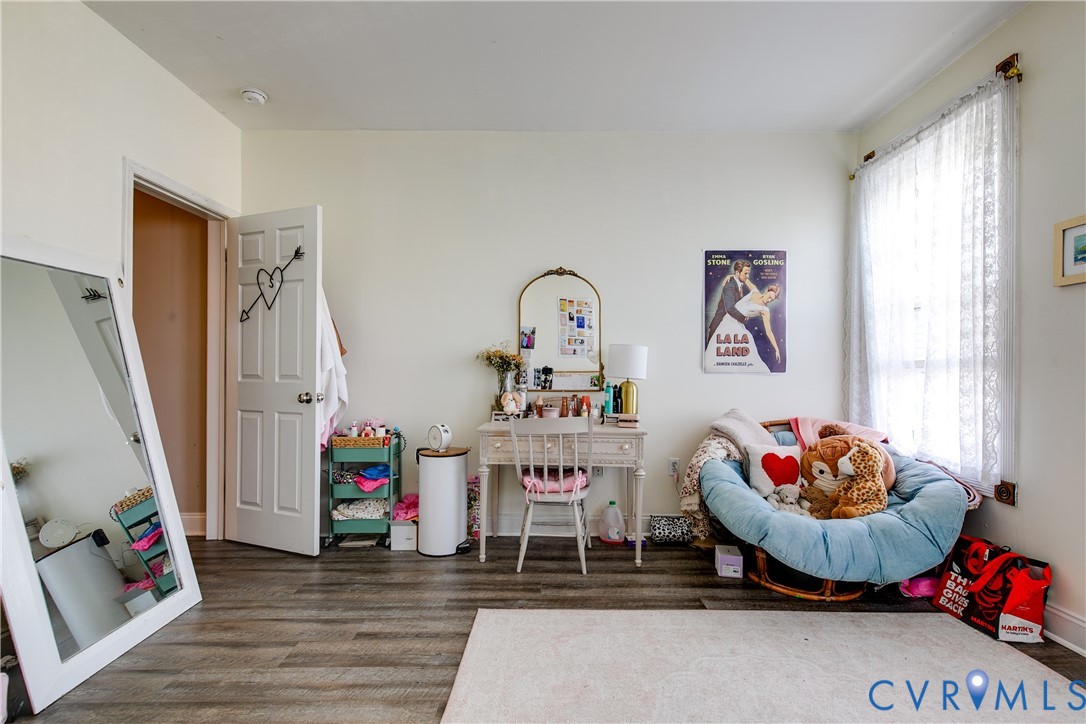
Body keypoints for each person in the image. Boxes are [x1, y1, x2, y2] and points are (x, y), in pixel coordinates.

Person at [705, 282, 783, 372]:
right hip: (726, 320)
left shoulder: (765, 310)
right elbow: (744, 278)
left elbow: (769, 331)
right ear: (766, 291)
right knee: (716, 349)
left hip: (736, 326)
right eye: (769, 296)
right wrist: (729, 276)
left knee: (738, 354)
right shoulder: (754, 291)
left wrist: (776, 349)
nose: (769, 300)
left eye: (771, 300)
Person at [705, 260, 756, 347]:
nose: (747, 276)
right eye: (745, 273)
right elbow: (730, 308)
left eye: (748, 273)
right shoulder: (729, 286)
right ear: (737, 272)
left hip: (732, 325)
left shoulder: (739, 283)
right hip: (720, 326)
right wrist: (743, 318)